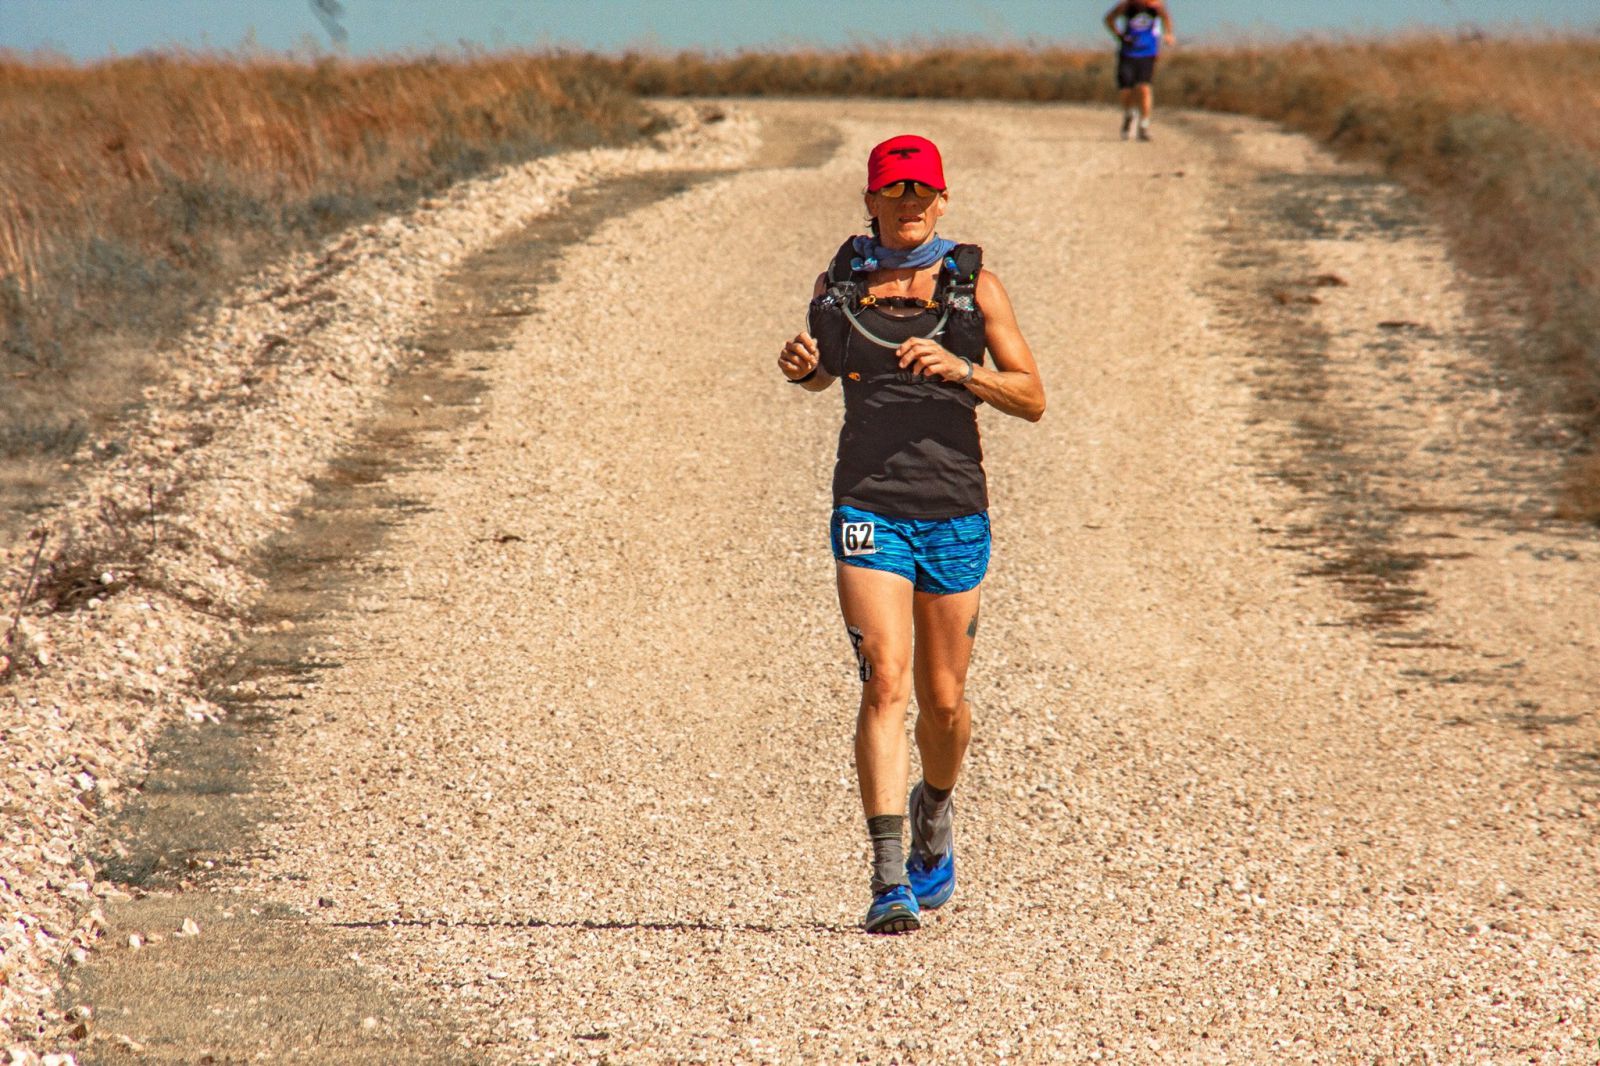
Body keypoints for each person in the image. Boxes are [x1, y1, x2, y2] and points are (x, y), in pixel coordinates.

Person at [777, 135, 1046, 934]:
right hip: (867, 506)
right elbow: (825, 369)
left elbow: (1032, 397)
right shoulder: (839, 285)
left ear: (943, 198)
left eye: (922, 192)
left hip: (956, 511)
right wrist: (801, 367)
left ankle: (936, 807)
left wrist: (964, 372)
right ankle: (888, 877)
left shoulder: (974, 287)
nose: (909, 205)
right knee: (884, 681)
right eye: (894, 193)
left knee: (945, 701)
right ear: (871, 200)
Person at [1104, 0, 1176, 141]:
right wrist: (1119, 36)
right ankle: (1129, 114)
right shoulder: (1126, 6)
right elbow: (1109, 19)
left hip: (1148, 52)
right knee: (1126, 89)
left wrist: (1168, 34)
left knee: (1144, 87)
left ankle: (1144, 125)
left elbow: (1166, 19)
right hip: (1127, 53)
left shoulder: (1156, 6)